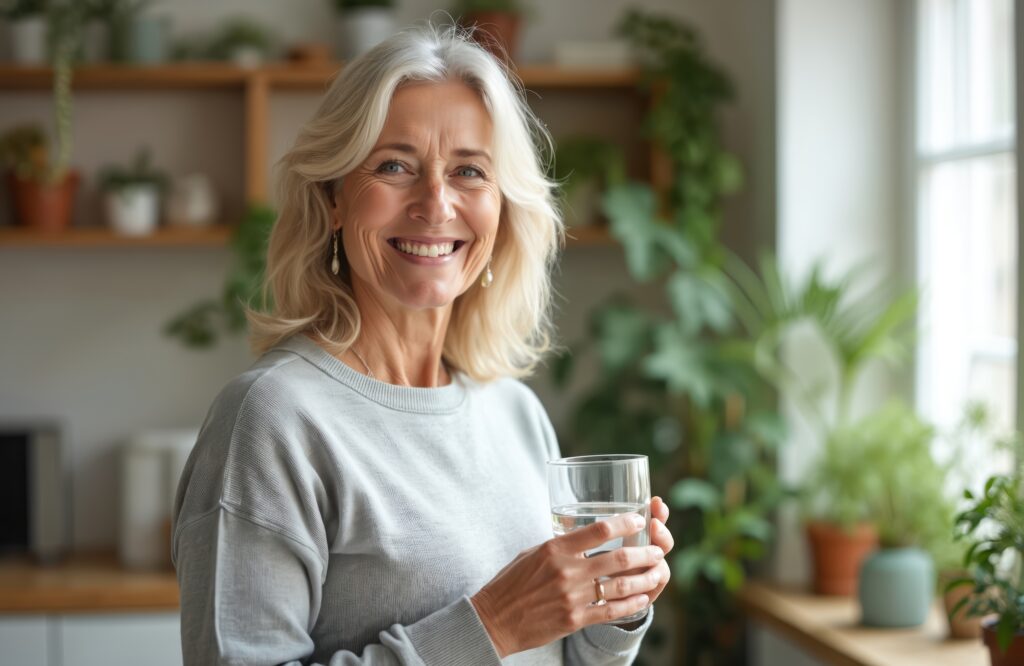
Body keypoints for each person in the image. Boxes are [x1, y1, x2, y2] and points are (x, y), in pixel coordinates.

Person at [172, 22, 674, 666]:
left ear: (501, 208)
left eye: (469, 171)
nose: (436, 204)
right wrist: (491, 625)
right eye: (393, 166)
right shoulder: (271, 420)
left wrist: (615, 606)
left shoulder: (513, 412)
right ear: (333, 197)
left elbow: (562, 658)